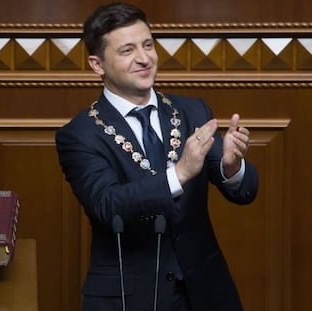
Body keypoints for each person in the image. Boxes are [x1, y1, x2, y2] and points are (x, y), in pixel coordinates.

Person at [55, 2, 259, 311]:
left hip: (206, 291)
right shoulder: (80, 134)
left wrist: (232, 167)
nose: (144, 58)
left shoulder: (192, 111)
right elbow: (108, 205)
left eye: (148, 45)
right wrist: (179, 173)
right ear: (97, 65)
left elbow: (244, 192)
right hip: (129, 296)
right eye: (127, 51)